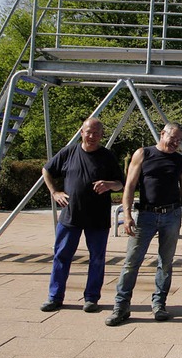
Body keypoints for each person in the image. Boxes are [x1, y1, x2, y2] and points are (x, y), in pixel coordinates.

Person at [105, 122, 182, 326]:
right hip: (146, 215)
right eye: (173, 138)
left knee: (166, 263)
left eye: (180, 140)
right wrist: (127, 215)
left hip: (171, 215)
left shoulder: (181, 161)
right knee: (131, 262)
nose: (176, 143)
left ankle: (159, 304)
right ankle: (121, 305)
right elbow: (129, 186)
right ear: (162, 134)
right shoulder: (143, 154)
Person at [40, 117, 124, 313]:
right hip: (70, 217)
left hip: (97, 219)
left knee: (97, 259)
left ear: (102, 135)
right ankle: (55, 297)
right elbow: (47, 169)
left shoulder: (107, 156)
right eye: (89, 132)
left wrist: (109, 185)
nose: (92, 136)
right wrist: (55, 192)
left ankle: (91, 298)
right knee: (61, 256)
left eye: (96, 133)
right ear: (81, 132)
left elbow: (121, 183)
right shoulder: (69, 152)